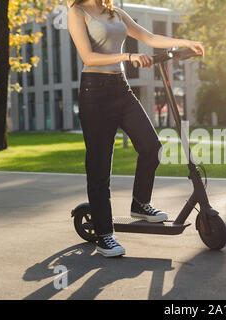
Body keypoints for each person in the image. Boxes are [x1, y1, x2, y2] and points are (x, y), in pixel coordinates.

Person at [67, 0, 205, 258]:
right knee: (99, 166)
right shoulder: (77, 12)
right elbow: (88, 56)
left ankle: (141, 204)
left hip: (121, 88)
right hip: (94, 91)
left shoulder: (115, 12)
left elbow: (149, 37)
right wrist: (128, 56)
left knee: (151, 146)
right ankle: (104, 234)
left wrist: (185, 43)